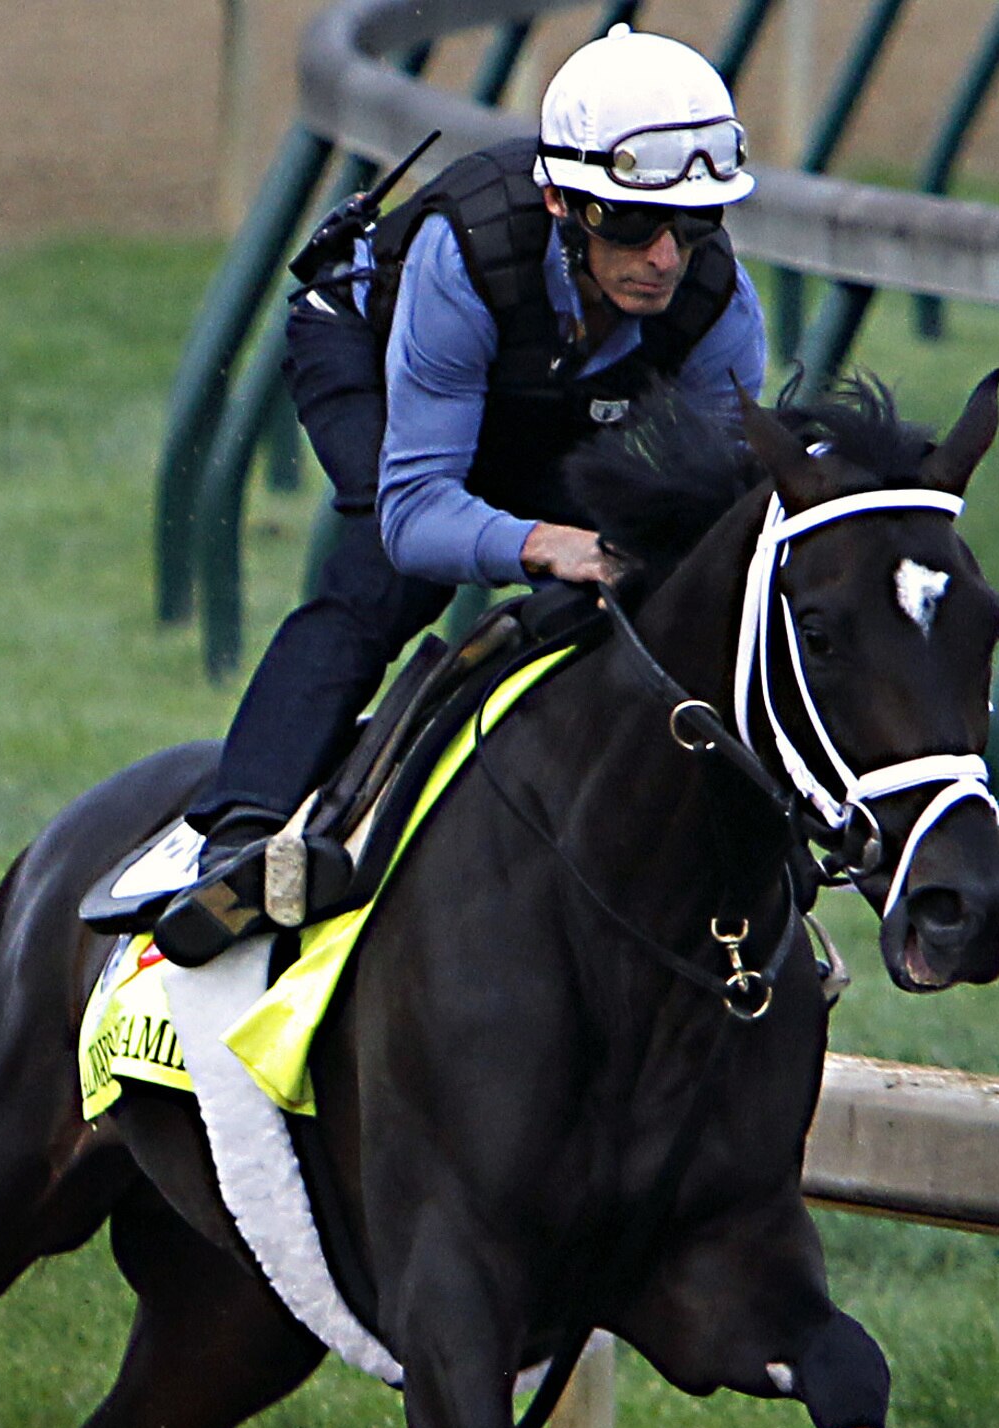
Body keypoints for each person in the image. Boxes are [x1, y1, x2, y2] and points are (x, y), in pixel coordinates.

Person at [152, 24, 768, 967]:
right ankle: (238, 835)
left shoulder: (719, 306)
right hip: (371, 351)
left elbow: (713, 519)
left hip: (545, 386)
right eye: (632, 224)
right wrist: (541, 544)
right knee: (389, 573)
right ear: (563, 202)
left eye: (694, 224)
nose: (664, 257)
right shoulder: (465, 254)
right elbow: (418, 508)